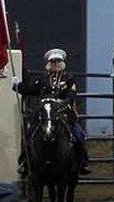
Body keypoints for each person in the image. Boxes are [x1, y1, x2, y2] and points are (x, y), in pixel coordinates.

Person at [15, 48, 91, 176]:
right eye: (53, 61)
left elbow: (71, 96)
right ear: (48, 63)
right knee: (30, 133)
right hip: (44, 112)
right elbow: (30, 90)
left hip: (63, 111)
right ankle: (25, 162)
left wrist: (60, 105)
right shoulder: (42, 79)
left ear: (62, 63)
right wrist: (18, 85)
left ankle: (82, 162)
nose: (55, 64)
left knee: (78, 133)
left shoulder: (68, 78)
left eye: (58, 61)